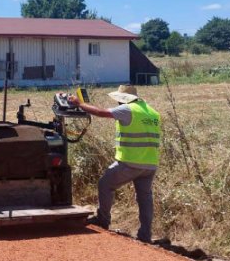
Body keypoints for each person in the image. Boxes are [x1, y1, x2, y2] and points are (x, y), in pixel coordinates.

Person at [67, 84, 161, 243]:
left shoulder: (128, 109)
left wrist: (79, 104)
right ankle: (145, 235)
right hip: (150, 164)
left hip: (131, 162)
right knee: (145, 198)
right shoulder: (152, 112)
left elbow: (101, 112)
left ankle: (103, 220)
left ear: (123, 99)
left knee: (105, 184)